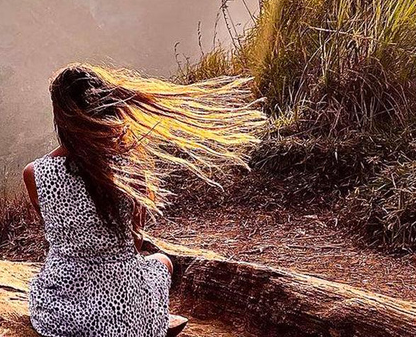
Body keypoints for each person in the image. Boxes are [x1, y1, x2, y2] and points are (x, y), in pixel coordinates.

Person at [24, 63, 265, 337]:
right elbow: (135, 243)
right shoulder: (127, 168)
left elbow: (55, 236)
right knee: (162, 262)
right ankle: (155, 317)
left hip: (62, 315)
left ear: (61, 116)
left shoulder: (34, 173)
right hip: (126, 315)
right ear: (106, 108)